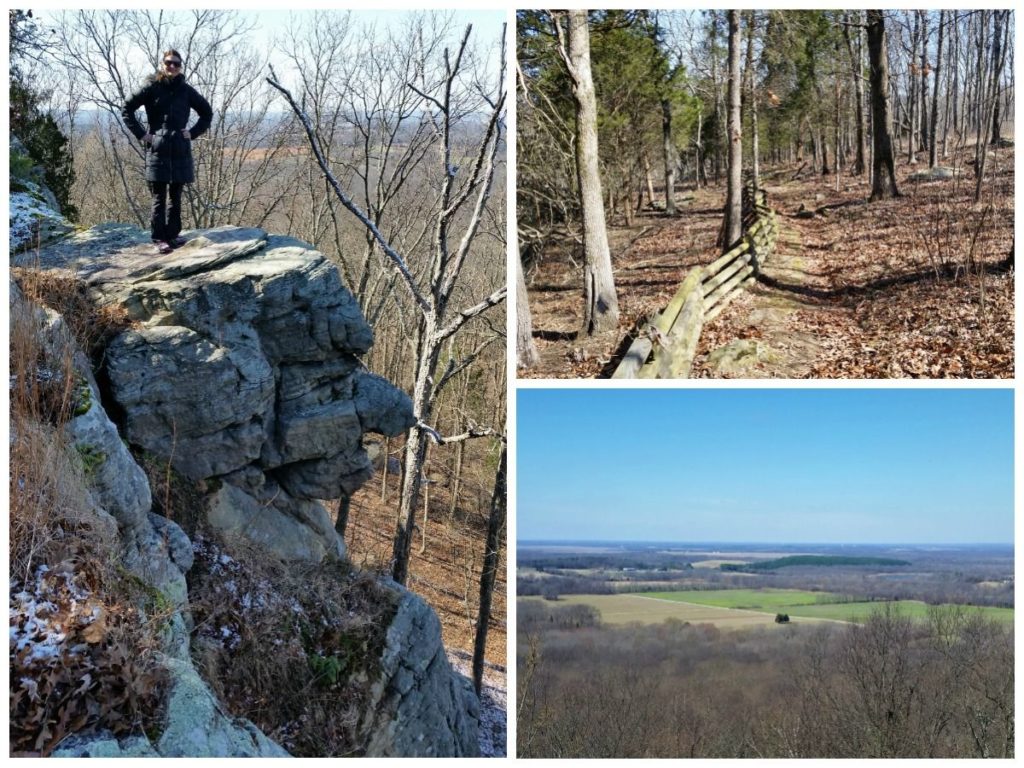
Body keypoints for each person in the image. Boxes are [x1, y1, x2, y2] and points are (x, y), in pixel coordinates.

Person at [122, 49, 212, 254]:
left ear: (181, 67)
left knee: (176, 196)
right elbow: (127, 108)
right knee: (158, 197)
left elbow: (207, 113)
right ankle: (159, 238)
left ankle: (172, 234)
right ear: (162, 64)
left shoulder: (186, 90)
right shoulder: (151, 86)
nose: (171, 66)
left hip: (180, 149)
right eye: (168, 62)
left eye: (176, 64)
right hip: (157, 149)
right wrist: (143, 135)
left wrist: (193, 132)